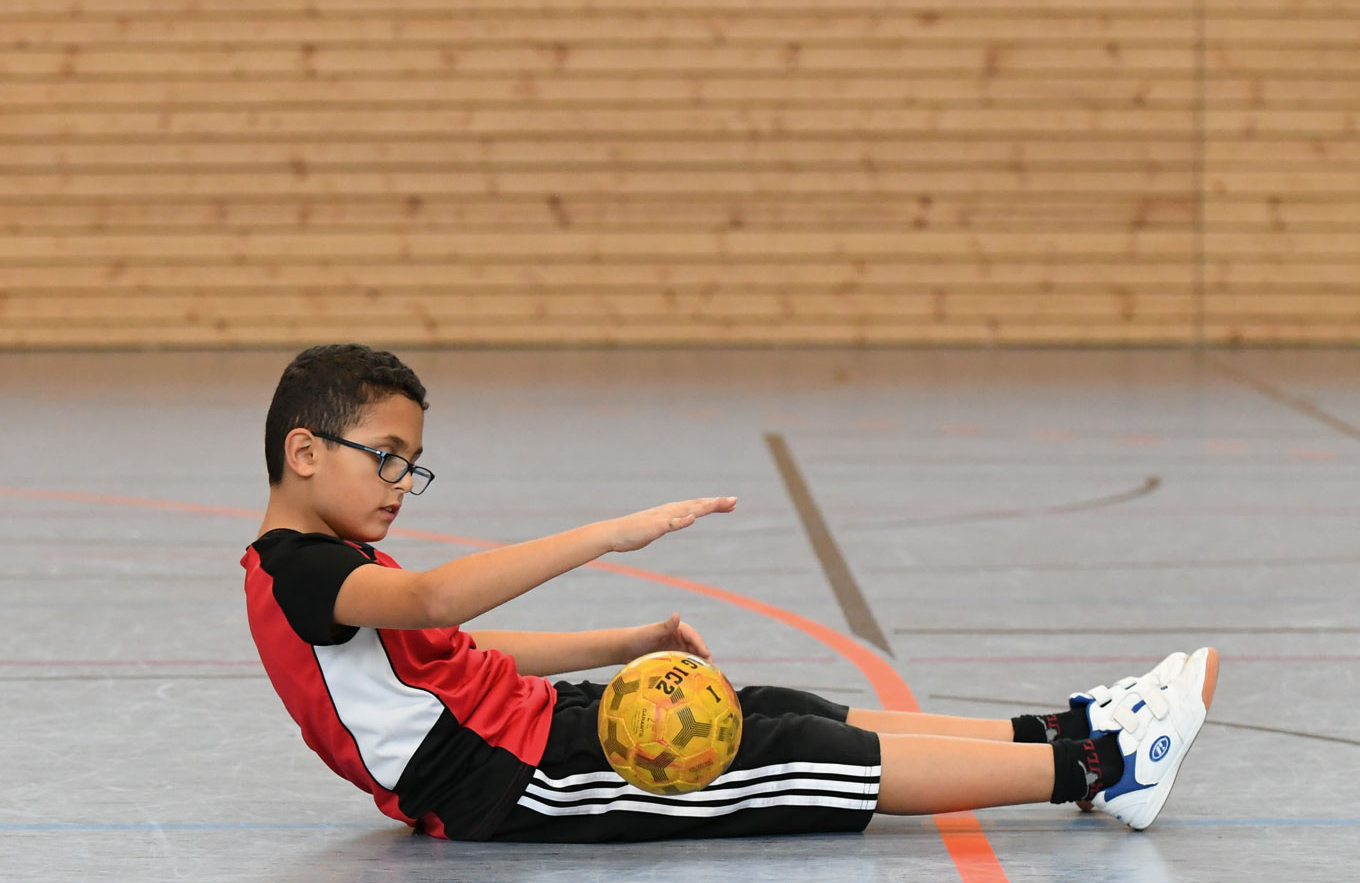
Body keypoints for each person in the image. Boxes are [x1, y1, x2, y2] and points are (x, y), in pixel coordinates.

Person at [242, 344, 1218, 842]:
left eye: (412, 465)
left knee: (774, 709)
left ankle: (1057, 727)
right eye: (388, 460)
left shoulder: (328, 568)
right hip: (515, 786)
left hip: (530, 731)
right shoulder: (304, 571)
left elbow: (453, 660)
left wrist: (620, 643)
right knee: (799, 757)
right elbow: (435, 608)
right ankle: (1102, 766)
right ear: (304, 451)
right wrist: (614, 534)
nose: (402, 483)